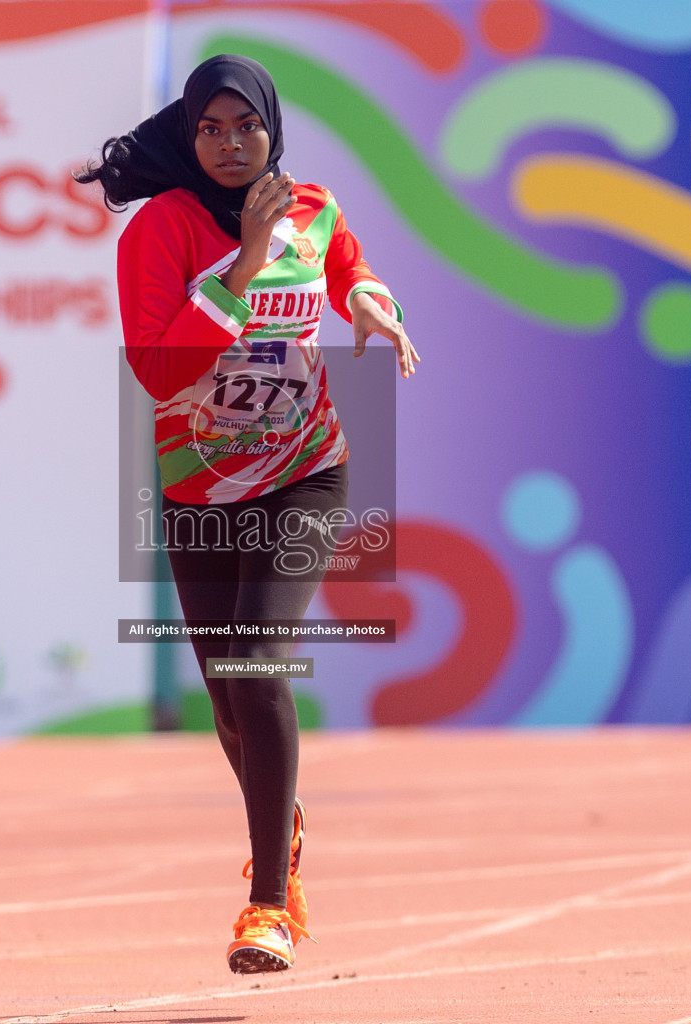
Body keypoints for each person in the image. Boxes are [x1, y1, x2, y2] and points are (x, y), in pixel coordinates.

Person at [76, 53, 418, 974]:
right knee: (228, 705)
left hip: (306, 471)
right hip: (198, 486)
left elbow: (349, 263)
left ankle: (269, 902)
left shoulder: (315, 205)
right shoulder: (160, 231)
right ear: (191, 139)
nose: (231, 145)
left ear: (275, 128)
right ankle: (283, 812)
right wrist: (248, 263)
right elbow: (158, 372)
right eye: (211, 130)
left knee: (255, 661)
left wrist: (369, 303)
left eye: (248, 127)